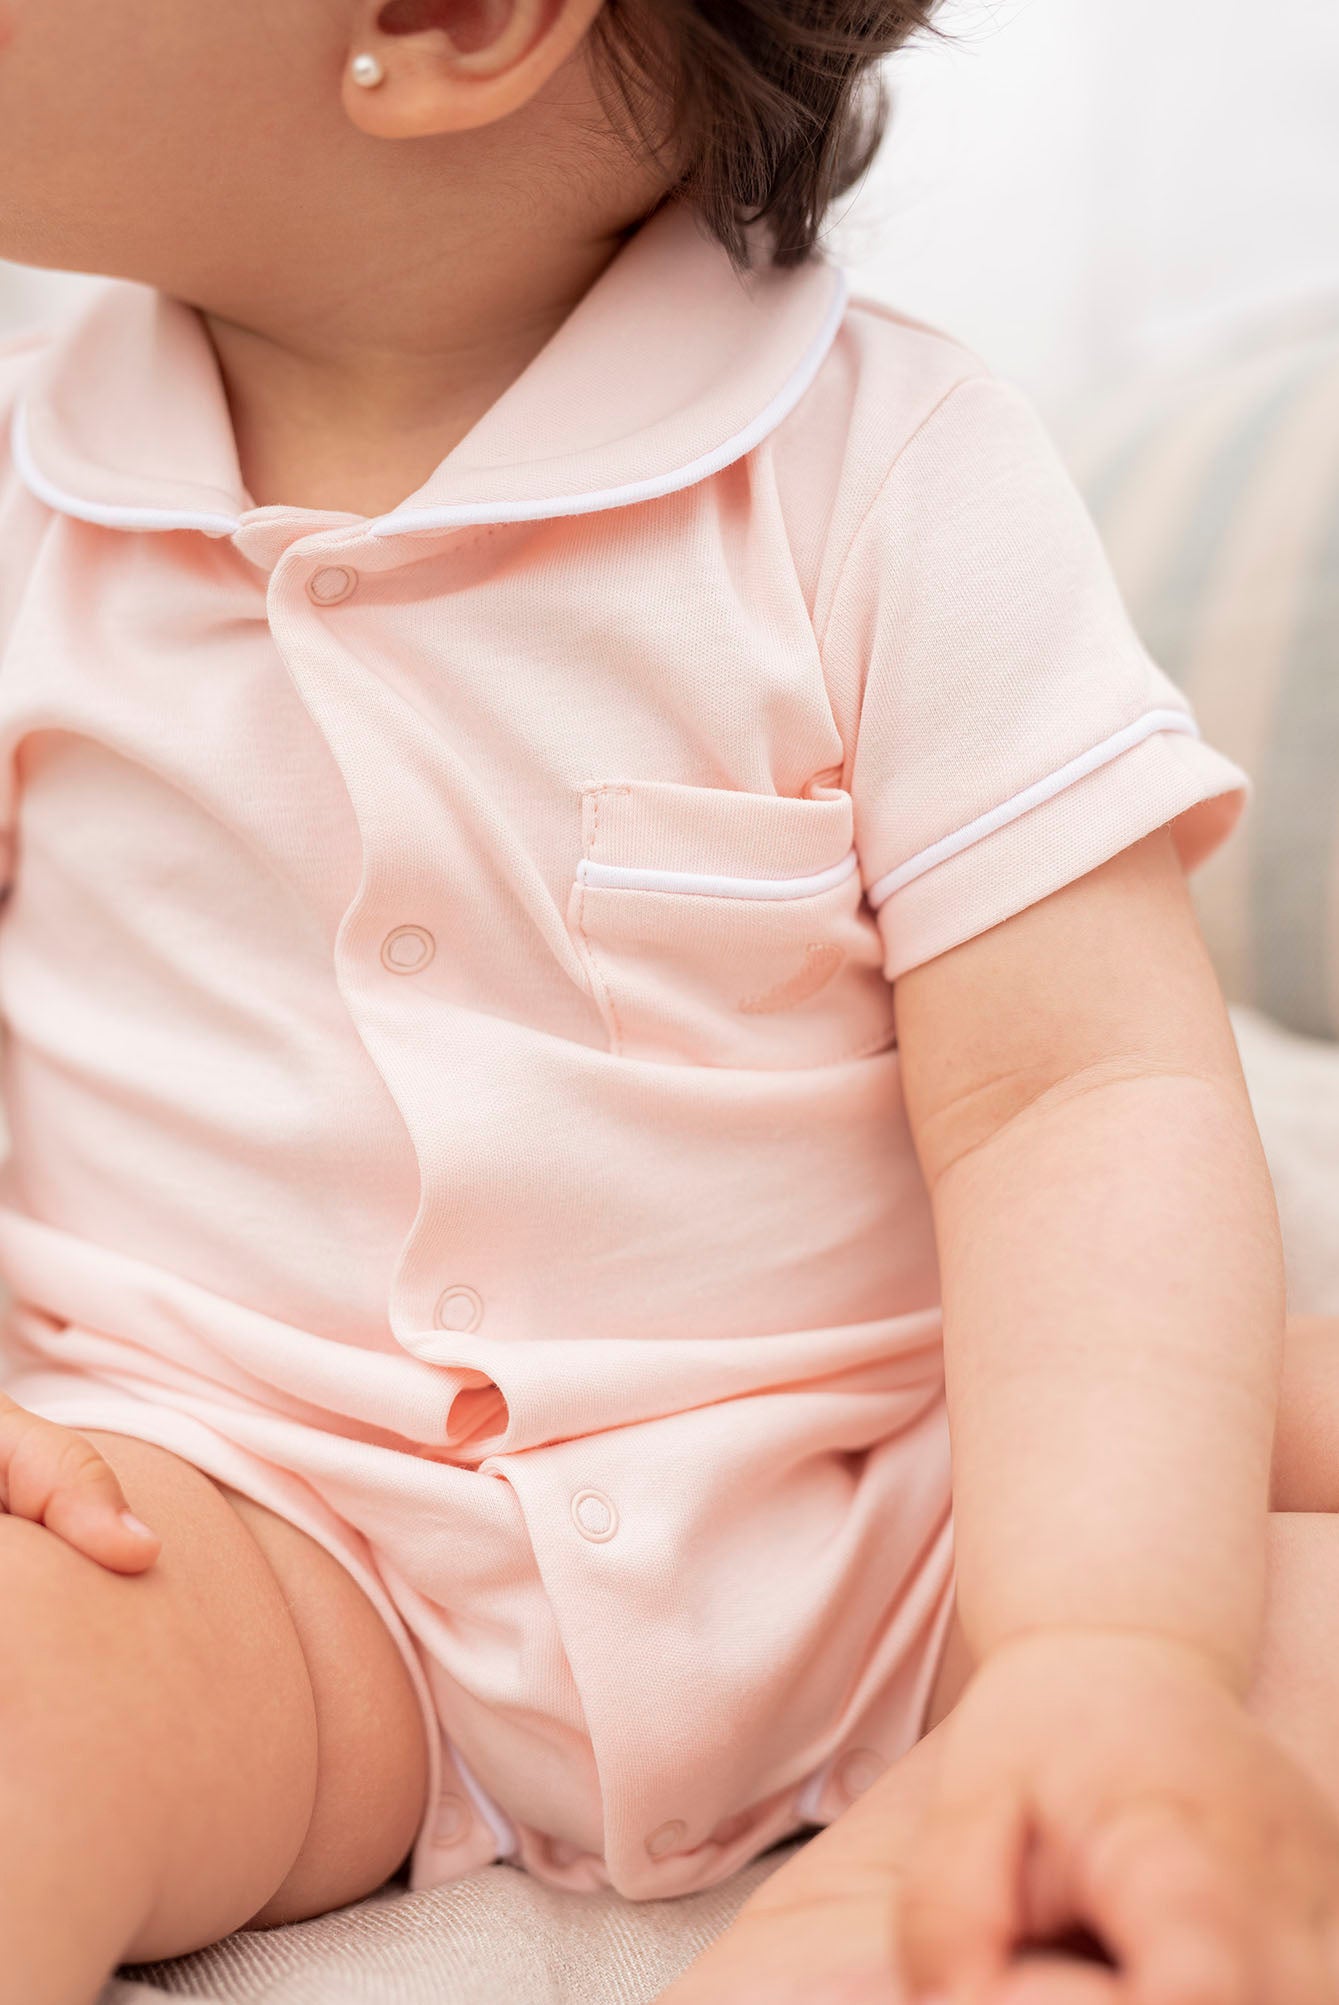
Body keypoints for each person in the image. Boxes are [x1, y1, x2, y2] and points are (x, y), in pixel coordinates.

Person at [0, 2, 1336, 2000]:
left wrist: (1096, 1648)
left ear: (440, 22)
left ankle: (952, 1881)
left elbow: (1076, 1094)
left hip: (896, 1525)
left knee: (1232, 1686)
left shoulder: (881, 471)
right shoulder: (35, 492)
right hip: (246, 1524)